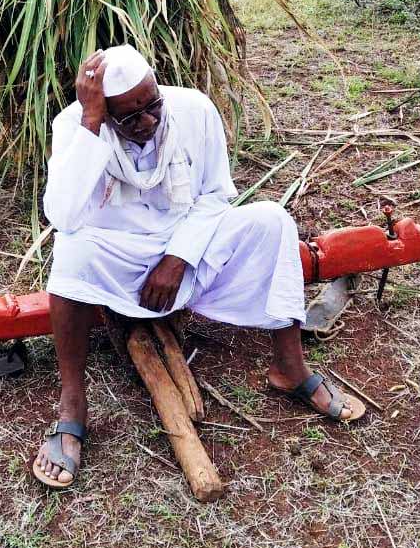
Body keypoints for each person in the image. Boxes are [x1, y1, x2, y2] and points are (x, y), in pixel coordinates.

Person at [31, 45, 365, 490]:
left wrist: (178, 258)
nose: (147, 121)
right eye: (129, 118)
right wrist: (90, 125)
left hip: (186, 248)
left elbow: (214, 196)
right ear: (104, 111)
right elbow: (64, 217)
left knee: (272, 221)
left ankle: (290, 369)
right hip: (118, 252)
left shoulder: (193, 108)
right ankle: (72, 410)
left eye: (152, 105)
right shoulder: (75, 125)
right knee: (71, 253)